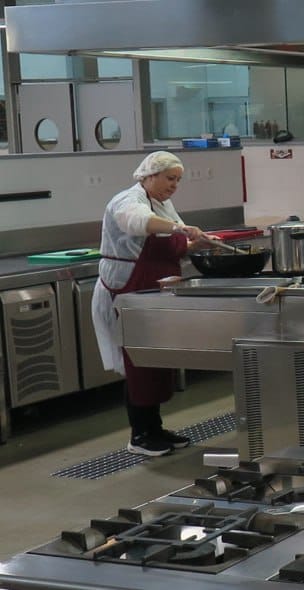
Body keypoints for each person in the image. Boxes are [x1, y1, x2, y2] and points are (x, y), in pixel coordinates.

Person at [92, 151, 213, 456]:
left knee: (157, 361)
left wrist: (194, 244)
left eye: (178, 180)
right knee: (138, 364)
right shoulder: (127, 200)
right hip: (129, 292)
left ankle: (155, 428)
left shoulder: (162, 203)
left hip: (155, 294)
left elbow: (173, 244)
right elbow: (138, 223)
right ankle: (139, 436)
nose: (174, 185)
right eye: (169, 178)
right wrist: (179, 229)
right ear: (149, 175)